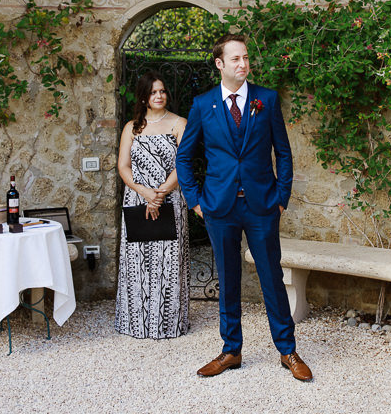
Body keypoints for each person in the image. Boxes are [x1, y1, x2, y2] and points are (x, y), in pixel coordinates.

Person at [175, 34, 312, 382]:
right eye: (235, 59)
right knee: (229, 280)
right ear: (220, 64)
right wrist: (195, 201)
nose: (243, 64)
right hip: (219, 207)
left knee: (271, 278)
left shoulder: (266, 99)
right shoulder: (203, 105)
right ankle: (231, 350)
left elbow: (283, 152)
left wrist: (281, 197)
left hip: (261, 205)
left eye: (246, 58)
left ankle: (287, 350)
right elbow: (185, 156)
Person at [115, 71, 190, 339]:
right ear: (144, 97)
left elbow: (184, 164)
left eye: (162, 91)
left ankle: (169, 324)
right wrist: (144, 192)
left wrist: (159, 194)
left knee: (168, 260)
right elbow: (123, 167)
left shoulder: (179, 123)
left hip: (169, 200)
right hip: (137, 199)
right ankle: (135, 322)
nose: (158, 96)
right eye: (153, 92)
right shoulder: (132, 127)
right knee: (137, 261)